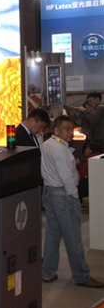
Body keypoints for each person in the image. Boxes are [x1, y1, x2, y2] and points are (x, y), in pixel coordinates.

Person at [40, 116, 104, 287]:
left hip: (50, 192)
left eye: (72, 129)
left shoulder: (47, 145)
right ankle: (82, 275)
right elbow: (67, 177)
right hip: (63, 195)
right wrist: (74, 197)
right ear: (56, 130)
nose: (71, 133)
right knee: (73, 238)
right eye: (67, 129)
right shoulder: (59, 149)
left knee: (53, 235)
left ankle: (47, 272)